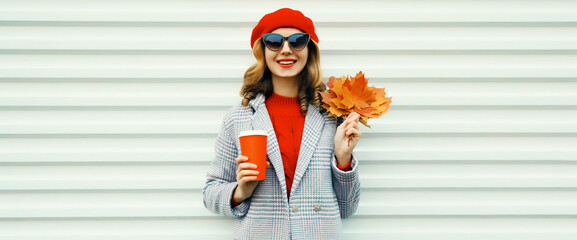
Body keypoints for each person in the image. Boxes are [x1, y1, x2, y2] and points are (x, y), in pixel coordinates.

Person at [203, 8, 362, 240]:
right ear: (263, 50)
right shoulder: (238, 118)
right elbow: (210, 193)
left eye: (297, 41)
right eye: (274, 41)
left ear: (309, 50)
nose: (286, 49)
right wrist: (241, 191)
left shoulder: (332, 117)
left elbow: (348, 208)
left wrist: (344, 161)